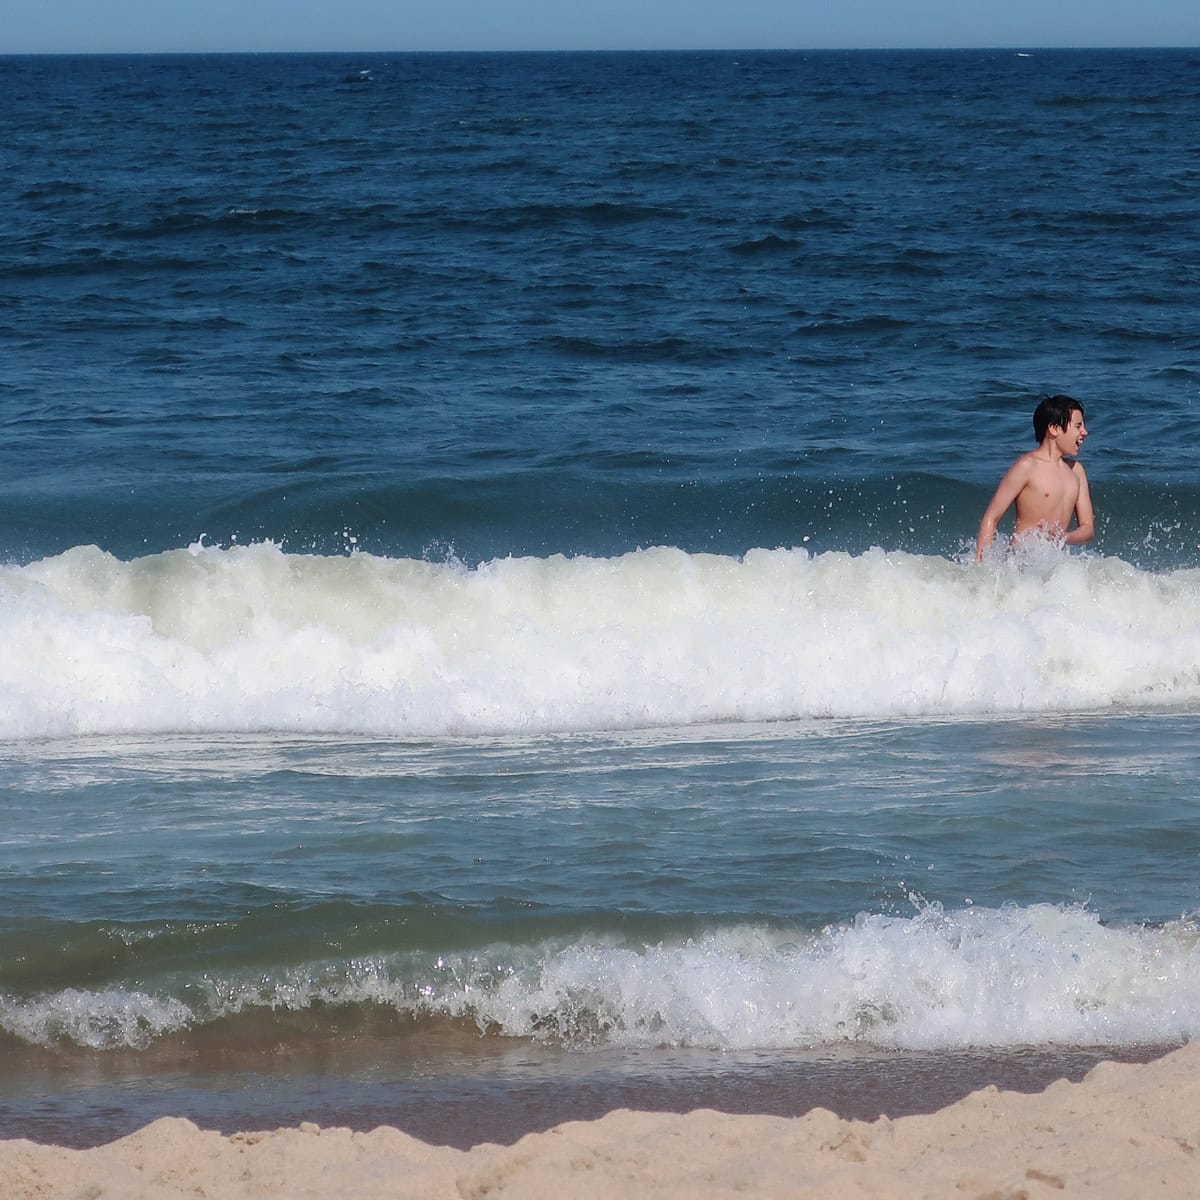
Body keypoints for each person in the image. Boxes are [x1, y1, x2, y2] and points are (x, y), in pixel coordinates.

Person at [975, 395, 1093, 562]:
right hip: (1022, 563)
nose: (1085, 432)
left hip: (1055, 565)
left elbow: (1087, 529)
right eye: (1078, 426)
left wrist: (1065, 537)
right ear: (1054, 428)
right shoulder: (1027, 467)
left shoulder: (1077, 471)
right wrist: (981, 568)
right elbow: (991, 517)